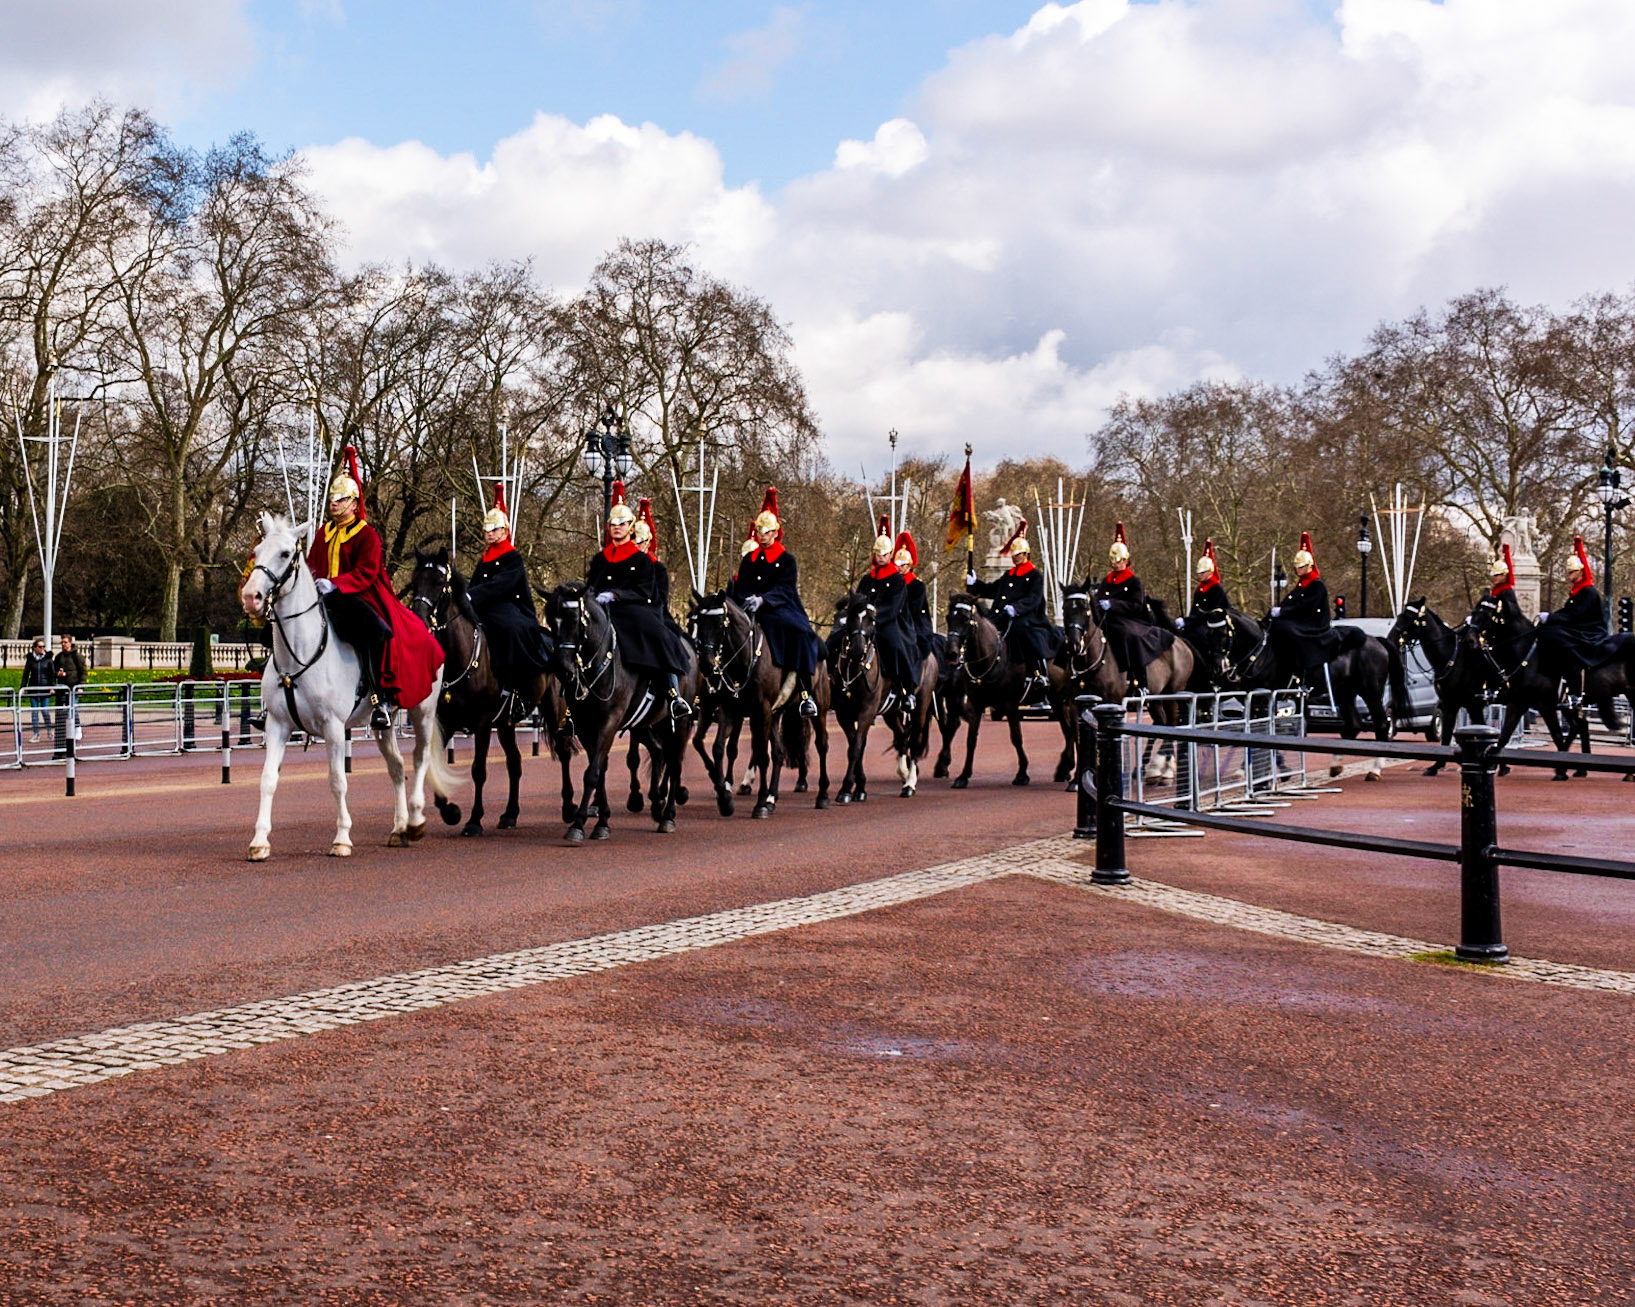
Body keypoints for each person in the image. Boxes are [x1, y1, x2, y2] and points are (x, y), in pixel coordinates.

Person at [306, 446, 443, 730]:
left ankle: (380, 697)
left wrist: (335, 584)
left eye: (341, 499)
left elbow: (366, 572)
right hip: (322, 596)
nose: (334, 504)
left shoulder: (367, 534)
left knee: (375, 631)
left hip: (358, 595)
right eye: (333, 499)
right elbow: (311, 564)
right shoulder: (323, 532)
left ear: (354, 503)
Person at [586, 481, 693, 720]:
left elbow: (645, 591)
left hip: (632, 609)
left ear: (630, 527)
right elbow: (590, 586)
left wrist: (615, 595)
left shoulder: (642, 561)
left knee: (657, 633)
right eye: (612, 524)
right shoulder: (600, 559)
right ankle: (572, 703)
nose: (616, 528)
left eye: (622, 524)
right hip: (602, 610)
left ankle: (673, 694)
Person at [728, 487, 824, 717]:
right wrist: (742, 601)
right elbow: (742, 587)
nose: (762, 535)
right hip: (750, 609)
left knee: (800, 634)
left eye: (767, 531)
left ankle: (804, 692)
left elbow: (785, 588)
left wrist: (763, 600)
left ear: (775, 532)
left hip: (780, 607)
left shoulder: (786, 559)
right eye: (759, 531)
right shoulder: (749, 560)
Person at [464, 481, 552, 690]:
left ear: (504, 531)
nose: (489, 534)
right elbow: (476, 583)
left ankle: (514, 682)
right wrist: (464, 596)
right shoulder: (485, 557)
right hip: (485, 607)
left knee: (509, 627)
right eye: (487, 530)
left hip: (512, 607)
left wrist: (472, 596)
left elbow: (501, 585)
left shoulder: (513, 557)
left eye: (494, 530)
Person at [965, 520, 1057, 699]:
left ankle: (1038, 672)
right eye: (1014, 555)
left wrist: (1016, 608)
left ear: (1026, 554)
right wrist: (975, 584)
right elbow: (993, 590)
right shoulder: (1009, 575)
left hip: (1027, 617)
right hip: (1003, 615)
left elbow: (1033, 599)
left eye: (1019, 555)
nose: (1015, 557)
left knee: (1022, 631)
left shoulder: (1034, 575)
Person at [1535, 537, 1626, 703]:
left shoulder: (1587, 592)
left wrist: (1552, 618)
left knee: (1565, 646)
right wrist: (1550, 617)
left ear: (1580, 572)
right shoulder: (1577, 592)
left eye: (1572, 572)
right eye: (1568, 572)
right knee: (1548, 633)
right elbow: (1567, 612)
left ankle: (1575, 691)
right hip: (1579, 630)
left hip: (1589, 633)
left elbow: (1574, 616)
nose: (1569, 575)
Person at [1091, 522, 1174, 695]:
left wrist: (1113, 604)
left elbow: (1136, 605)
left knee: (1129, 636)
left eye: (1119, 560)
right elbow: (1099, 600)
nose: (1116, 564)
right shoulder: (1107, 581)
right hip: (1110, 619)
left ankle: (1139, 679)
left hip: (1132, 619)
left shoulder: (1134, 582)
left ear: (1126, 560)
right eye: (1113, 561)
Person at [855, 516, 921, 712]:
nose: (881, 557)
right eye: (878, 554)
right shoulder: (867, 579)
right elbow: (859, 598)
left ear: (890, 554)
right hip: (866, 622)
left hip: (890, 622)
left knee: (896, 645)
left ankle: (907, 690)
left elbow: (894, 606)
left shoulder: (897, 579)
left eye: (884, 554)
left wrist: (875, 616)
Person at [1268, 531, 1336, 692]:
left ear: (1309, 566)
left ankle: (1299, 670)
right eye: (1297, 567)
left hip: (1313, 623)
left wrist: (1283, 613)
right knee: (1276, 626)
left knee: (1287, 630)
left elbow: (1305, 607)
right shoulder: (1302, 584)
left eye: (1301, 567)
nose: (1298, 570)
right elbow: (1291, 602)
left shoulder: (1316, 585)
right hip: (1301, 620)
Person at [1179, 538, 1231, 647]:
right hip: (1199, 622)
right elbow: (1195, 610)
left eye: (1203, 573)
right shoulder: (1200, 589)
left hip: (1214, 624)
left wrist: (1189, 621)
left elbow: (1210, 612)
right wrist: (1187, 621)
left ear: (1210, 572)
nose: (1200, 575)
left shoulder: (1216, 588)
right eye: (1199, 573)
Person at [894, 530, 935, 664]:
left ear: (909, 565)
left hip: (913, 622)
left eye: (902, 565)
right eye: (897, 565)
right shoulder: (891, 583)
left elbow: (914, 609)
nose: (899, 568)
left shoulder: (917, 585)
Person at [1467, 544, 1525, 630]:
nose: (1494, 577)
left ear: (1504, 575)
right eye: (1494, 575)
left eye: (1497, 575)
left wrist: (1506, 551)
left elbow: (1509, 565)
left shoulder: (1507, 589)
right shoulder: (1495, 589)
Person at [51, 632, 88, 757]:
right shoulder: (59, 657)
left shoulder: (77, 656)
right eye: (62, 642)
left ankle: (77, 728)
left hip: (74, 687)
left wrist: (81, 687)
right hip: (63, 688)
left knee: (73, 708)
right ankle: (68, 730)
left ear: (70, 643)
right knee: (64, 711)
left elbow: (83, 672)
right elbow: (54, 671)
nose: (63, 644)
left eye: (65, 642)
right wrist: (58, 674)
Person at [22, 636, 53, 742]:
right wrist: (23, 687)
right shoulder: (30, 660)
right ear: (35, 648)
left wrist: (52, 687)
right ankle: (36, 734)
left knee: (45, 711)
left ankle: (49, 730)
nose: (42, 648)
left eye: (43, 646)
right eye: (40, 646)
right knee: (34, 712)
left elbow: (52, 674)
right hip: (33, 688)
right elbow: (26, 674)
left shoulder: (48, 659)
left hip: (45, 688)